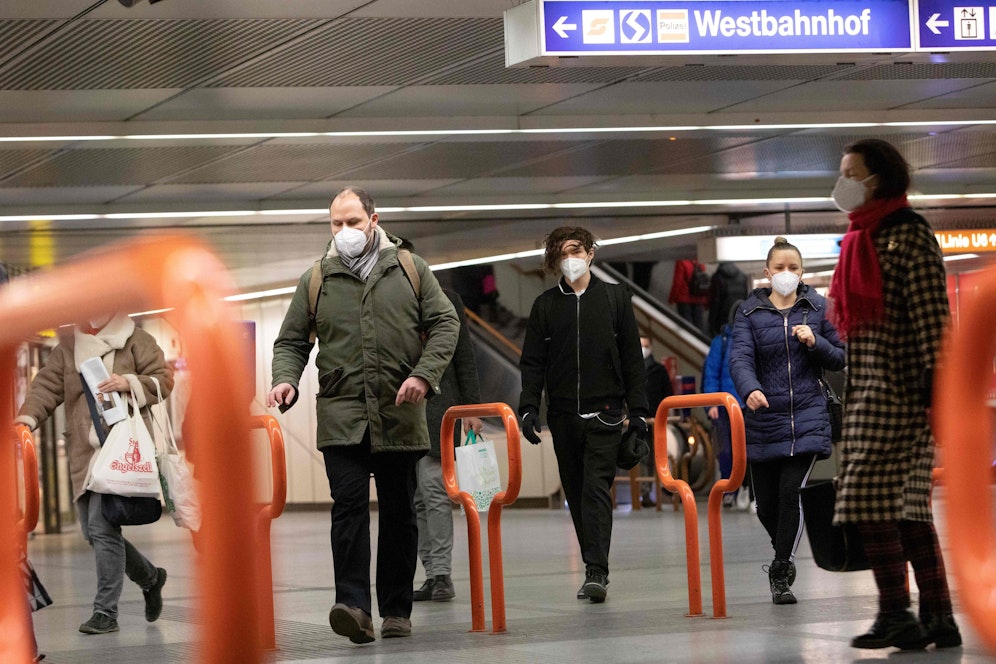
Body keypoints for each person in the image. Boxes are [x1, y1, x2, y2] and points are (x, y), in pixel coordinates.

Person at [267, 186, 459, 644]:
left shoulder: (410, 269)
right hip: (342, 415)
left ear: (374, 220)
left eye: (352, 221)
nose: (344, 230)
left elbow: (445, 323)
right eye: (336, 223)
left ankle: (395, 610)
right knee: (348, 508)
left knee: (399, 513)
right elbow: (291, 341)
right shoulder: (317, 279)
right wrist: (286, 378)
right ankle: (353, 607)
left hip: (399, 412)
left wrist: (425, 374)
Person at [828, 139, 961, 651]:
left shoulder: (908, 234)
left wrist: (935, 390)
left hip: (902, 395)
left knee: (864, 499)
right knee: (907, 509)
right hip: (868, 392)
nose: (843, 182)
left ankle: (895, 613)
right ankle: (938, 617)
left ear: (878, 178)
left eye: (852, 172)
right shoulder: (860, 237)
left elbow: (933, 319)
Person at [14, 312, 172, 636]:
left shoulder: (135, 338)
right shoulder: (68, 346)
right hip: (84, 454)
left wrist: (130, 383)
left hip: (122, 449)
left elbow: (164, 380)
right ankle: (151, 577)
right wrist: (26, 420)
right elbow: (45, 388)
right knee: (94, 532)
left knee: (102, 529)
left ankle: (105, 612)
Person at [518, 226, 649, 603]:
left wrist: (639, 412)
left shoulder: (614, 299)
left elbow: (632, 359)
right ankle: (594, 563)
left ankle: (596, 571)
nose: (569, 259)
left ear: (590, 253)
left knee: (595, 490)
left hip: (606, 414)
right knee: (576, 494)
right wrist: (528, 407)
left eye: (575, 250)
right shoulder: (545, 306)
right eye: (562, 253)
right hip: (563, 417)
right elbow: (533, 363)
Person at [728, 237, 845, 605]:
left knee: (789, 493)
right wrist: (749, 388)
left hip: (806, 419)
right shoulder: (749, 312)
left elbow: (840, 356)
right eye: (779, 268)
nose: (786, 273)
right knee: (766, 506)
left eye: (793, 267)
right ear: (767, 273)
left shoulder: (818, 308)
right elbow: (740, 358)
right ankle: (785, 547)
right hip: (764, 419)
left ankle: (781, 570)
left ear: (802, 272)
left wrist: (815, 342)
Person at [412, 287, 483, 603]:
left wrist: (471, 408)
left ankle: (441, 574)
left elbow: (463, 356)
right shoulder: (386, 298)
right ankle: (431, 572)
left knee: (434, 492)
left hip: (440, 410)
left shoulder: (446, 298)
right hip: (400, 414)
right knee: (416, 499)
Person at [702, 301, 748, 509]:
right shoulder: (720, 342)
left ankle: (747, 488)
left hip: (748, 404)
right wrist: (711, 403)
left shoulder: (753, 338)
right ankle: (730, 488)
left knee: (749, 450)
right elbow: (711, 373)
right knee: (725, 451)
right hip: (724, 406)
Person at [637, 335, 673, 507]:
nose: (643, 349)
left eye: (646, 345)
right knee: (643, 455)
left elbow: (668, 393)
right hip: (639, 418)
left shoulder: (659, 370)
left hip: (657, 418)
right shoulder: (631, 369)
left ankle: (666, 489)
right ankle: (645, 492)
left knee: (661, 454)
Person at [668, 259, 709, 332]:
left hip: (684, 298)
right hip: (698, 297)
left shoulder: (682, 262)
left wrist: (672, 298)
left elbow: (677, 282)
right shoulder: (700, 262)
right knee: (698, 325)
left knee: (686, 326)